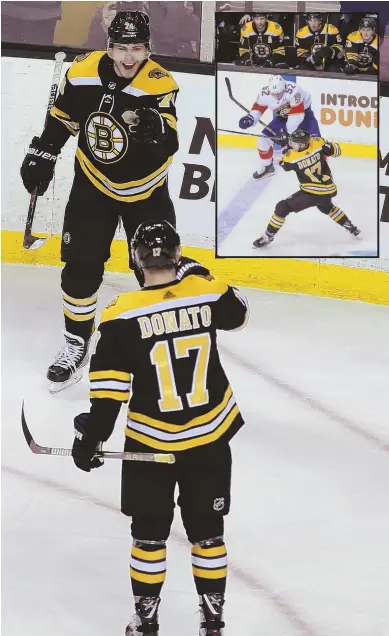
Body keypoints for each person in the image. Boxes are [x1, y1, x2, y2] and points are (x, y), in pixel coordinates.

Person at [71, 220, 249, 636]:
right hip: (208, 437)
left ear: (135, 258)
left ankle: (147, 620)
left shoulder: (119, 314)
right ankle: (212, 621)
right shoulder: (206, 292)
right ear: (177, 253)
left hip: (151, 444)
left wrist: (93, 436)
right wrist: (200, 272)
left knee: (149, 535)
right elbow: (238, 314)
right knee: (208, 533)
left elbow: (110, 389)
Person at [20, 10, 191, 394]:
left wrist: (154, 129)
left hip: (145, 191)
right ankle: (76, 343)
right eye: (121, 48)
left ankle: (160, 348)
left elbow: (171, 141)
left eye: (137, 48)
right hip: (92, 185)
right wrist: (43, 153)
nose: (128, 58)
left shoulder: (160, 83)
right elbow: (63, 118)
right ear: (108, 46)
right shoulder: (82, 72)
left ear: (149, 48)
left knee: (156, 271)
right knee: (80, 267)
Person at [252, 129, 361, 248]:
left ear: (303, 144)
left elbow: (285, 165)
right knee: (327, 207)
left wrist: (285, 145)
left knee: (282, 207)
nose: (293, 145)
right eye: (292, 142)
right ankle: (351, 227)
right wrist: (326, 146)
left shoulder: (291, 157)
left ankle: (268, 236)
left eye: (295, 143)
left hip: (312, 191)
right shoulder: (318, 143)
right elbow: (337, 151)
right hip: (329, 188)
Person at [238, 74, 321, 180]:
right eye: (274, 93)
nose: (277, 96)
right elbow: (258, 107)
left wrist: (285, 132)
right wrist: (250, 118)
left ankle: (318, 171)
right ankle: (268, 167)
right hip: (283, 118)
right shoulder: (264, 93)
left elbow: (297, 115)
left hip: (304, 115)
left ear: (284, 87)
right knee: (263, 140)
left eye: (279, 93)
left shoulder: (294, 90)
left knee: (317, 145)